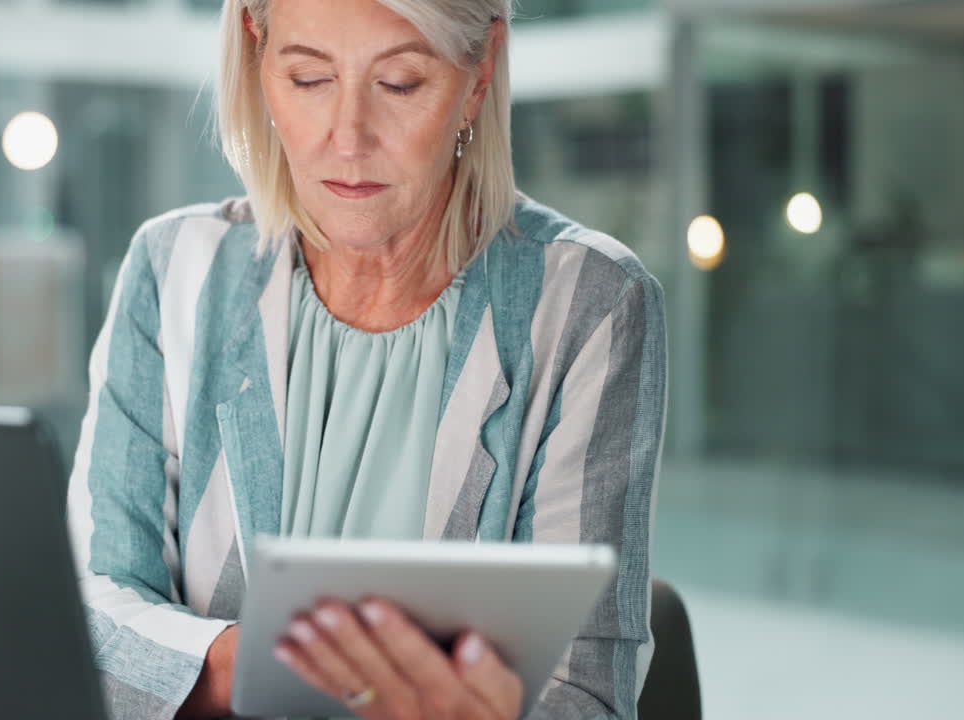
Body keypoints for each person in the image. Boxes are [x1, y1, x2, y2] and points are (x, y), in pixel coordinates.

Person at [65, 0, 667, 718]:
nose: (347, 140)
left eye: (400, 84)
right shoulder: (172, 273)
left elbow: (586, 696)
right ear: (257, 56)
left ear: (480, 72)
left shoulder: (587, 301)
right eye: (309, 79)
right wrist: (303, 672)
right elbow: (89, 623)